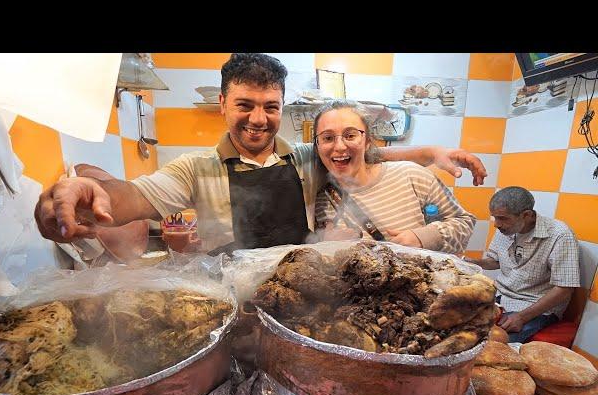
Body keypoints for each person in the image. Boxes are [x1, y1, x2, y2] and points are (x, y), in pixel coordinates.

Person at [35, 53, 487, 255]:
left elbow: (357, 153)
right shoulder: (196, 168)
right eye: (244, 105)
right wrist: (88, 192)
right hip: (231, 297)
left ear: (281, 108)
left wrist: (429, 152)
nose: (258, 119)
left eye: (270, 107)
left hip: (296, 293)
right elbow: (132, 197)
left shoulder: (307, 157)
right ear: (223, 107)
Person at [313, 100, 476, 254]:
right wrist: (326, 246)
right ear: (317, 146)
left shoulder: (412, 175)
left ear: (367, 141)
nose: (340, 146)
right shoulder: (321, 202)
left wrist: (424, 237)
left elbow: (464, 223)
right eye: (328, 138)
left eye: (350, 135)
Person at [466, 186, 580, 342]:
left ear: (526, 215)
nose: (496, 224)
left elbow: (565, 288)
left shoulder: (560, 235)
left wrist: (522, 317)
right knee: (459, 324)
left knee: (491, 342)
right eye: (495, 218)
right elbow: (495, 261)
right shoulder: (506, 229)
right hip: (501, 296)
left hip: (533, 306)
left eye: (502, 218)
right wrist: (473, 262)